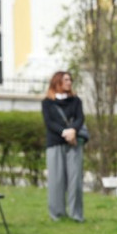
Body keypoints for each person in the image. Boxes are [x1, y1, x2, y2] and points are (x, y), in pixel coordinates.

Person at [41, 71, 85, 223]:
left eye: (70, 79)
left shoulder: (76, 101)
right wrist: (65, 132)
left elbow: (80, 118)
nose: (69, 82)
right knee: (56, 181)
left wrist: (73, 130)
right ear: (57, 82)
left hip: (74, 144)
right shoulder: (47, 102)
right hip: (55, 144)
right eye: (66, 79)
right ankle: (57, 215)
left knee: (75, 181)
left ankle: (76, 215)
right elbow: (49, 123)